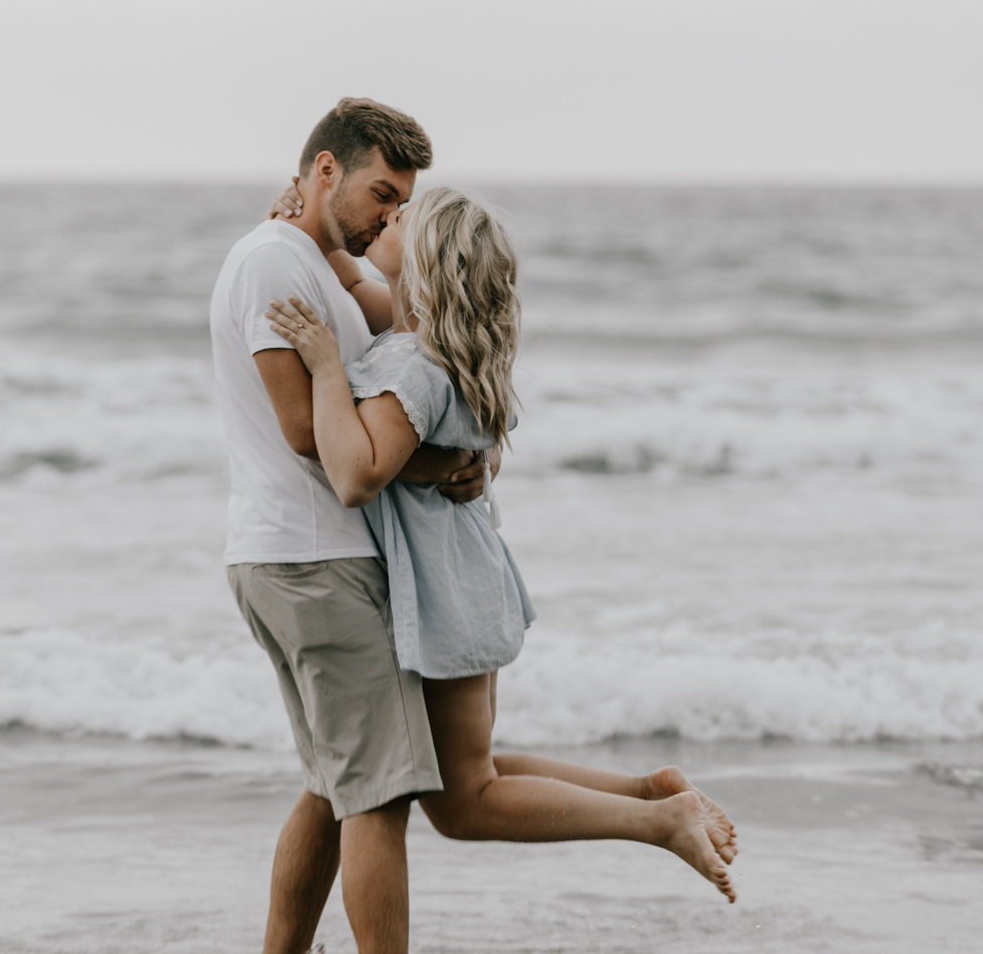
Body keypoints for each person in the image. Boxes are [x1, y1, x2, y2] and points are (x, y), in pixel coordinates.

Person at [265, 185, 740, 907]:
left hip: (450, 596)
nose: (383, 220)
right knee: (470, 772)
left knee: (465, 803)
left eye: (397, 222)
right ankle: (648, 792)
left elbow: (358, 473)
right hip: (469, 583)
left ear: (421, 270)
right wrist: (311, 232)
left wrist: (327, 369)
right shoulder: (438, 348)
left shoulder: (412, 369)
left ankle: (656, 820)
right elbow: (357, 282)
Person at [212, 98, 487, 954]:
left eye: (402, 203)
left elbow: (398, 317)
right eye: (381, 193)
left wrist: (332, 241)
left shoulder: (307, 259)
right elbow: (308, 432)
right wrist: (442, 467)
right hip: (314, 557)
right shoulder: (272, 265)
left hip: (293, 555)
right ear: (324, 170)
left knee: (334, 786)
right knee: (377, 795)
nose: (390, 216)